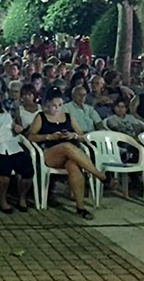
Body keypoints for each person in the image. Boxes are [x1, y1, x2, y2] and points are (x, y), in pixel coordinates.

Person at [28, 88, 109, 220]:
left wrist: (73, 135)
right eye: (54, 105)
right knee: (66, 146)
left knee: (73, 166)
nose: (57, 109)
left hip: (69, 154)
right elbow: (31, 136)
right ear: (47, 104)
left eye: (60, 105)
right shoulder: (41, 117)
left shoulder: (68, 117)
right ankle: (99, 175)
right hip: (50, 154)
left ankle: (80, 207)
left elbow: (83, 136)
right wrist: (49, 137)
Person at [0, 94, 34, 213]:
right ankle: (2, 200)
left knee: (27, 168)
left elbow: (15, 128)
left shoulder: (6, 116)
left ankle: (22, 197)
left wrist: (17, 128)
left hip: (13, 148)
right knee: (4, 169)